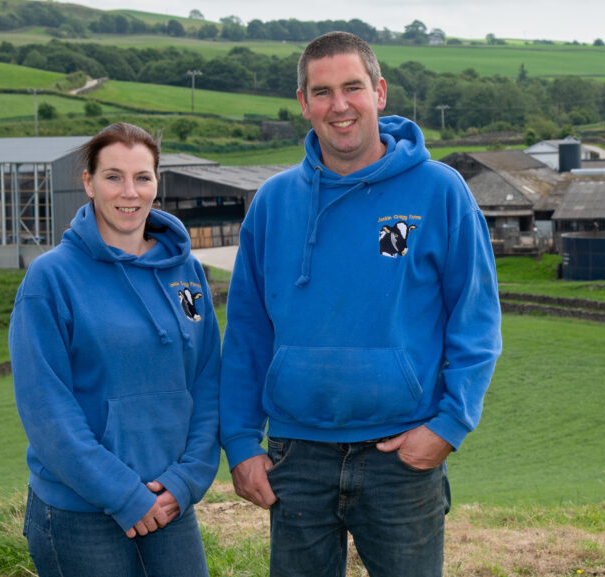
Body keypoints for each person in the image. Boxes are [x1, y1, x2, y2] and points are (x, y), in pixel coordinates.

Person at [219, 32, 502, 577]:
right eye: (321, 92)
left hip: (401, 455)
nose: (339, 105)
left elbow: (476, 318)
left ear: (380, 91)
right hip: (295, 455)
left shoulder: (439, 191)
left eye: (353, 88)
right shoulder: (273, 203)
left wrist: (449, 426)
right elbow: (248, 332)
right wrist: (239, 440)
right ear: (303, 103)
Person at [9, 122, 220, 577]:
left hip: (169, 502)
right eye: (113, 176)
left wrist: (188, 480)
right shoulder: (51, 279)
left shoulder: (187, 271)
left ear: (157, 183)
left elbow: (207, 381)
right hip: (79, 510)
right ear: (88, 183)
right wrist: (123, 493)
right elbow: (47, 410)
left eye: (142, 177)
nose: (130, 192)